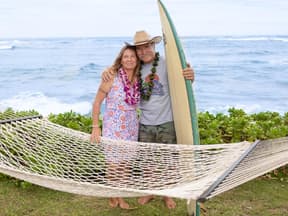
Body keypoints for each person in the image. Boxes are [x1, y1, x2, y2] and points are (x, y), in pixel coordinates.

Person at [102, 30, 195, 209]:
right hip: (144, 122)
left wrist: (191, 75)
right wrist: (107, 70)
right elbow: (119, 73)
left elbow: (183, 82)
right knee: (147, 163)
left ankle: (167, 195)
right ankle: (151, 191)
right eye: (140, 49)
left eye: (147, 47)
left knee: (168, 162)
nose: (144, 51)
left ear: (153, 46)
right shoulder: (136, 68)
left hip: (166, 120)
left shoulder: (167, 64)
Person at [90, 45, 141, 209]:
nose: (129, 59)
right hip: (113, 125)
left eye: (132, 56)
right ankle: (114, 195)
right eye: (126, 56)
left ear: (137, 59)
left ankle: (121, 194)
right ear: (121, 59)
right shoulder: (111, 76)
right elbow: (97, 102)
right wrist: (95, 127)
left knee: (125, 163)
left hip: (131, 126)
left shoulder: (139, 78)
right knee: (113, 164)